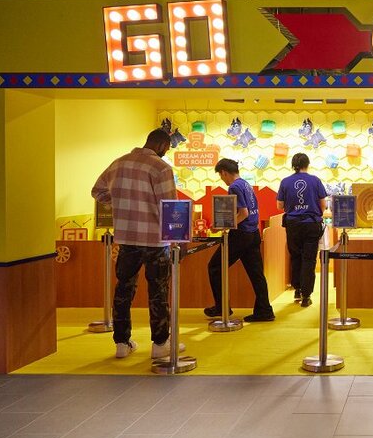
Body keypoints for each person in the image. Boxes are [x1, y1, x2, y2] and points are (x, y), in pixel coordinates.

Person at [91, 129, 186, 360]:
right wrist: (178, 240)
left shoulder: (118, 163)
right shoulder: (161, 168)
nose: (167, 151)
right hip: (155, 240)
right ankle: (160, 343)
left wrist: (121, 203)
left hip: (125, 238)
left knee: (123, 289)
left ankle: (122, 343)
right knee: (158, 291)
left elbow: (97, 191)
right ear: (162, 144)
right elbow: (170, 206)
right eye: (168, 147)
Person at [205, 158, 275, 322]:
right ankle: (265, 310)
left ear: (223, 172)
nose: (222, 179)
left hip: (241, 235)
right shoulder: (246, 184)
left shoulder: (234, 186)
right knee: (256, 274)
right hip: (253, 234)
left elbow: (243, 213)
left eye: (221, 176)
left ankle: (222, 306)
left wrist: (222, 226)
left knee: (215, 267)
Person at [277, 153, 327, 308]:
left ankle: (297, 289)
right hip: (311, 224)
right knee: (309, 259)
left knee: (295, 257)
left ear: (293, 165)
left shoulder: (285, 182)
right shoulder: (315, 180)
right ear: (308, 164)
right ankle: (306, 296)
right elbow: (323, 205)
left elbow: (279, 205)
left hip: (293, 225)